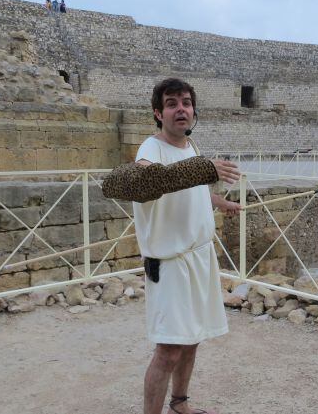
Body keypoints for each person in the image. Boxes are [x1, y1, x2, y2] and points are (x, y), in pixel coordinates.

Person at [135, 78, 240, 414]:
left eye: (186, 102)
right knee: (168, 350)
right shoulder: (150, 149)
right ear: (158, 112)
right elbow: (151, 180)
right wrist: (204, 168)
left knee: (193, 338)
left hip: (200, 258)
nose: (180, 108)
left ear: (193, 111)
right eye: (171, 103)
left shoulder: (191, 148)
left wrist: (219, 202)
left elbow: (189, 188)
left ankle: (180, 403)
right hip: (170, 263)